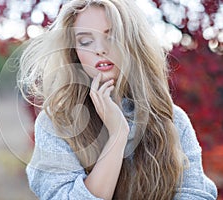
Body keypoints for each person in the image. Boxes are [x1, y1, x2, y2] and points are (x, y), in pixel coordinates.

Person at [18, 0, 218, 199]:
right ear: (75, 53)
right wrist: (118, 135)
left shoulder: (173, 119)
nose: (100, 49)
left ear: (133, 42)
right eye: (85, 41)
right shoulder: (56, 125)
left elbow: (195, 194)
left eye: (111, 36)